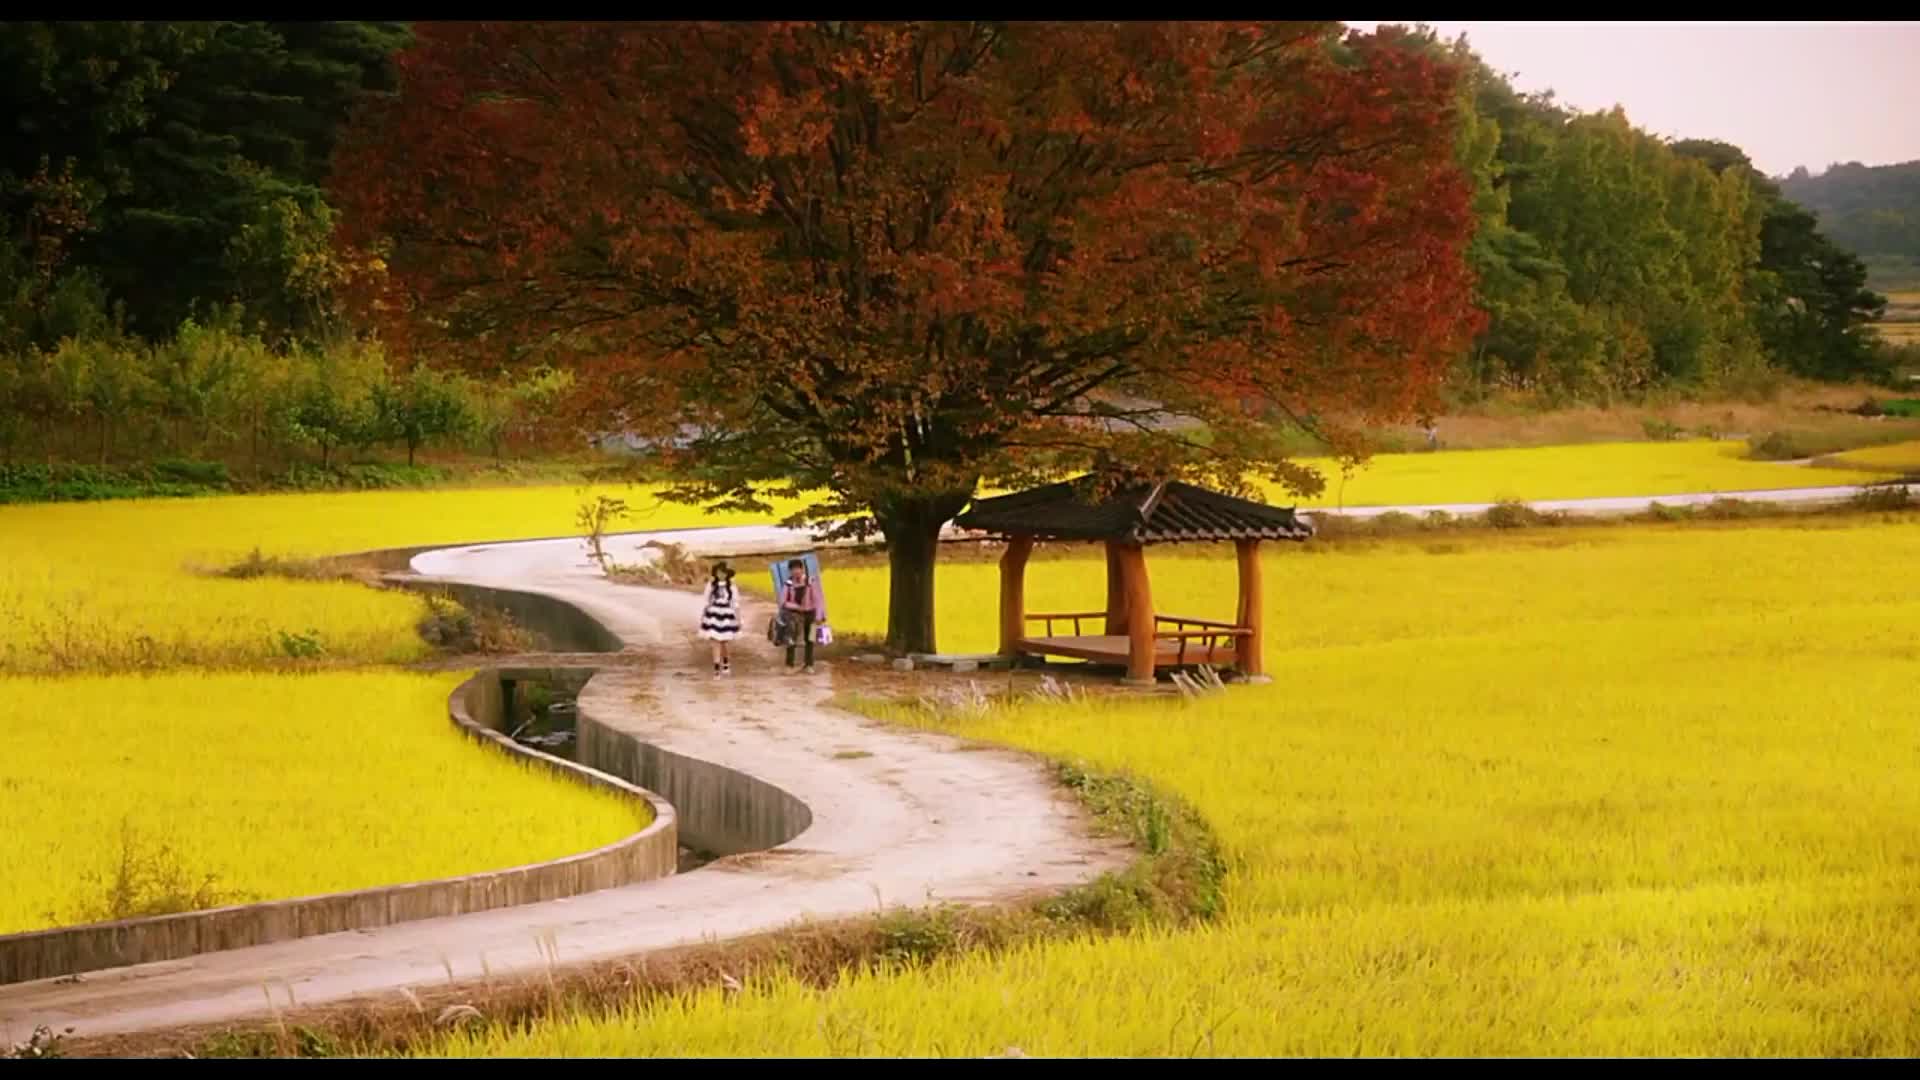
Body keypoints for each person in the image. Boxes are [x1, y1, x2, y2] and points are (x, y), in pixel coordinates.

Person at [778, 557, 827, 674]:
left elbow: (818, 599)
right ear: (790, 571)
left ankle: (809, 664)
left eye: (797, 569)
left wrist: (819, 616)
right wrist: (796, 607)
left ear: (802, 569)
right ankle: (789, 665)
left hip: (811, 614)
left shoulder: (811, 581)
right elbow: (783, 601)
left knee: (810, 639)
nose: (796, 572)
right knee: (791, 640)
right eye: (793, 569)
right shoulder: (788, 584)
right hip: (795, 616)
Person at [698, 562, 741, 676]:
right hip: (713, 615)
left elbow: (735, 603)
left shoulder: (731, 586)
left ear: (727, 574)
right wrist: (703, 617)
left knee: (725, 642)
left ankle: (726, 662)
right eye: (719, 572)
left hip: (727, 614)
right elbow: (706, 601)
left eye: (724, 572)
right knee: (715, 641)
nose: (721, 574)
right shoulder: (711, 585)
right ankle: (716, 668)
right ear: (715, 573)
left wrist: (738, 619)